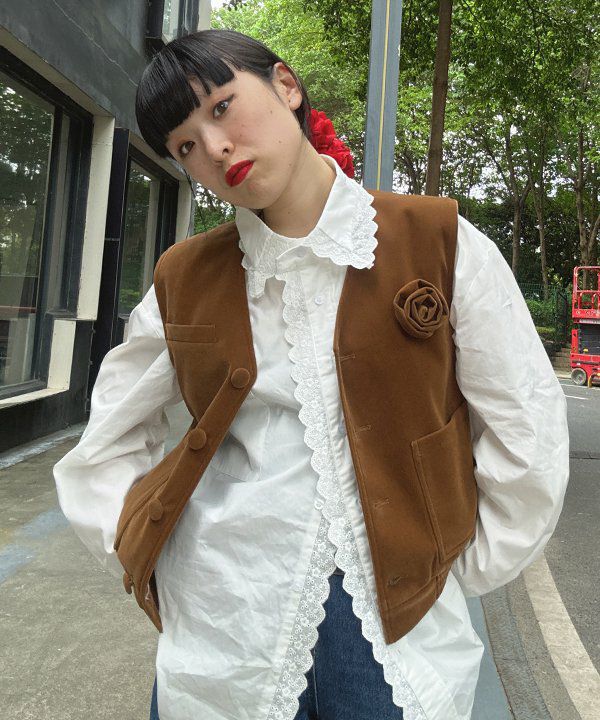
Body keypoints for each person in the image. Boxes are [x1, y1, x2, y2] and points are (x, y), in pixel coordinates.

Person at [53, 28, 570, 720]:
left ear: (287, 87)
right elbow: (107, 443)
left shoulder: (437, 241)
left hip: (395, 636)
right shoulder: (185, 277)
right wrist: (167, 566)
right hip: (228, 629)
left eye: (222, 107)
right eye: (185, 145)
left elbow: (526, 426)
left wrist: (456, 566)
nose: (215, 148)